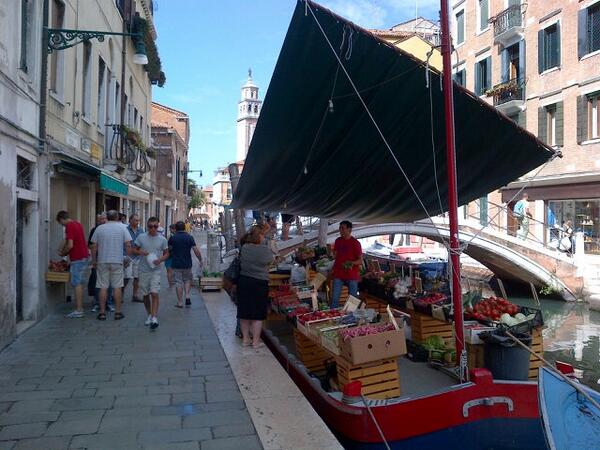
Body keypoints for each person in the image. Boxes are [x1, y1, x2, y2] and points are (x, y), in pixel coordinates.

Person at [237, 226, 275, 348]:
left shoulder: (244, 248)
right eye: (262, 235)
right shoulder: (264, 250)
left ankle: (246, 340)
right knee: (257, 313)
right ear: (259, 236)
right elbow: (271, 259)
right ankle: (256, 341)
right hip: (259, 283)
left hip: (244, 281)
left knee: (244, 312)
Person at [90, 209, 132, 321]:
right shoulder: (123, 228)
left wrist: (94, 260)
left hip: (102, 260)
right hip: (117, 261)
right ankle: (118, 312)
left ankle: (102, 313)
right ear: (117, 217)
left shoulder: (100, 228)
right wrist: (128, 258)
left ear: (107, 217)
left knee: (103, 287)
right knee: (117, 287)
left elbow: (93, 246)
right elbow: (128, 245)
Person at [133, 217, 169, 330]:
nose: (152, 229)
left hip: (156, 270)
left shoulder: (162, 240)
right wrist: (140, 252)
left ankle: (154, 317)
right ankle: (149, 314)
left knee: (154, 293)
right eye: (150, 226)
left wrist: (161, 260)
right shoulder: (141, 237)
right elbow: (133, 250)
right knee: (145, 295)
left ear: (158, 227)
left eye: (155, 226)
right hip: (143, 270)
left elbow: (167, 253)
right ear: (147, 226)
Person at [56, 210, 89, 318]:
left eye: (61, 223)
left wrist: (63, 253)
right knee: (79, 282)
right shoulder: (77, 224)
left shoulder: (69, 226)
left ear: (62, 219)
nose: (62, 225)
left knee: (76, 283)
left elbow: (70, 245)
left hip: (78, 258)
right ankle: (79, 308)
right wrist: (60, 248)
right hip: (83, 257)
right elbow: (66, 239)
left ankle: (79, 309)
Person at [169, 221, 202, 307]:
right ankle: (187, 296)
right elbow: (196, 250)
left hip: (176, 263)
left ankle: (180, 302)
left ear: (176, 228)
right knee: (187, 280)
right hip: (187, 263)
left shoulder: (172, 238)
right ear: (184, 228)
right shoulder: (190, 237)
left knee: (178, 282)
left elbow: (169, 250)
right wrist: (200, 259)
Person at [331, 221, 362, 308]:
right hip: (339, 273)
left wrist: (351, 263)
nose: (340, 231)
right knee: (334, 299)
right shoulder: (338, 241)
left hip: (351, 275)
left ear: (349, 229)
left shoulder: (355, 243)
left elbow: (360, 261)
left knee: (352, 301)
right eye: (340, 228)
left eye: (342, 228)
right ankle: (333, 316)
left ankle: (351, 318)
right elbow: (335, 256)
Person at [88, 213, 114, 312]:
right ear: (98, 220)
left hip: (110, 259)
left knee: (109, 282)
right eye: (100, 219)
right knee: (97, 281)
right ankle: (96, 303)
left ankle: (109, 302)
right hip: (98, 258)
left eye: (104, 219)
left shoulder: (112, 230)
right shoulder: (95, 230)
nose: (102, 220)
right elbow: (90, 245)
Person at [125, 214, 144, 302]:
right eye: (135, 220)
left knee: (137, 277)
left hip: (138, 257)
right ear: (130, 220)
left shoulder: (141, 230)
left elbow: (143, 242)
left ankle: (135, 295)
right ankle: (120, 295)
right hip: (128, 256)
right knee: (126, 277)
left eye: (138, 220)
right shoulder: (125, 230)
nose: (137, 222)